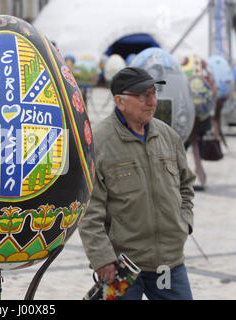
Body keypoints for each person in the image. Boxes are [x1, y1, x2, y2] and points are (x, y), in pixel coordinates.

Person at [78, 67, 196, 300]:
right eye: (143, 96)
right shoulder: (99, 142)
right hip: (121, 266)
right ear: (120, 101)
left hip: (168, 263)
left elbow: (186, 186)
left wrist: (184, 224)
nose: (152, 102)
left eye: (154, 93)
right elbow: (89, 210)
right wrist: (102, 258)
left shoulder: (168, 136)